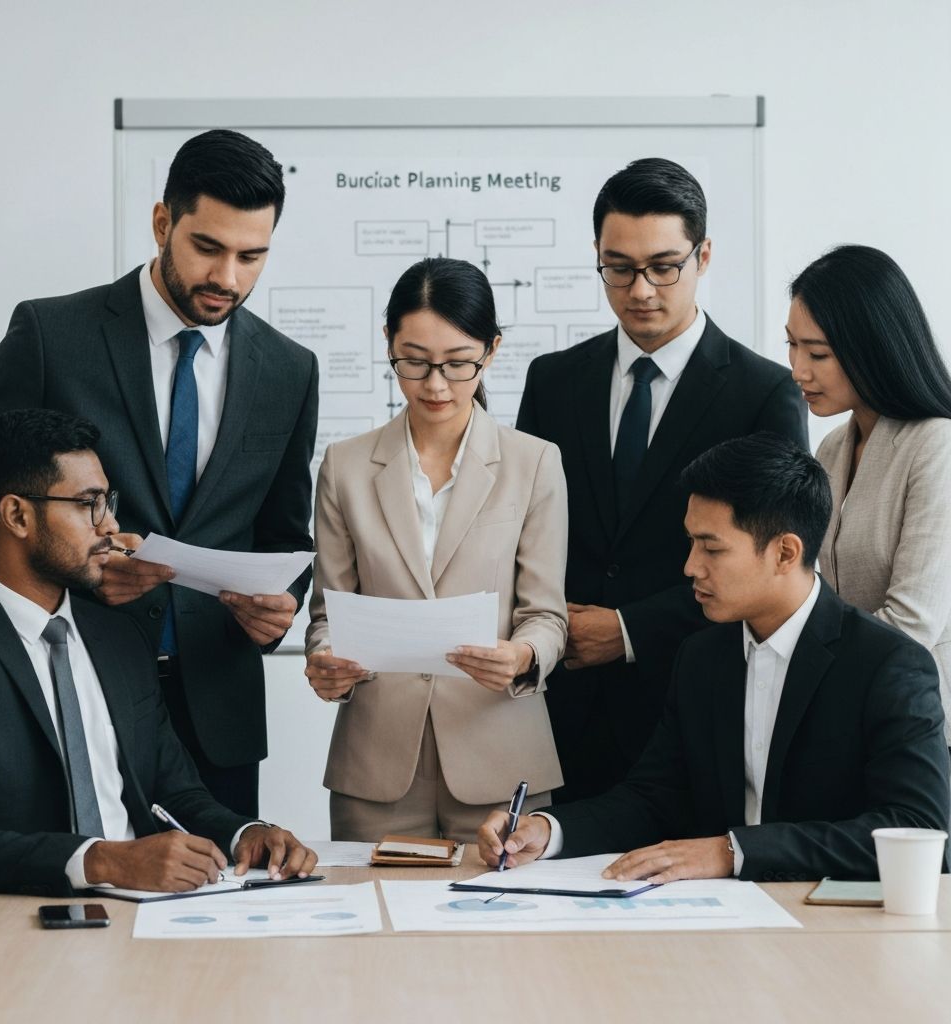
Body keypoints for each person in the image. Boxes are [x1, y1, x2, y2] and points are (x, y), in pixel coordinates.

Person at [0, 129, 318, 817]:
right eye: (208, 247)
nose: (228, 277)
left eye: (252, 256)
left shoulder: (290, 370)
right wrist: (76, 567)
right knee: (62, 897)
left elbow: (282, 537)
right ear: (163, 222)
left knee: (220, 900)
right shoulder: (53, 335)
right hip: (65, 687)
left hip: (215, 713)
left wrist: (276, 612)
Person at [478, 434, 950, 882]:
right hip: (720, 923)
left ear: (785, 552)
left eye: (712, 547)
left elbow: (922, 831)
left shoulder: (888, 664)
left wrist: (733, 851)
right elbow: (653, 798)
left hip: (838, 929)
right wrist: (546, 830)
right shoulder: (702, 656)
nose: (690, 567)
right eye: (691, 542)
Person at [0, 410, 317, 927]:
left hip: (149, 915)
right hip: (12, 921)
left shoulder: (118, 637)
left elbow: (176, 792)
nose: (111, 526)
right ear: (17, 516)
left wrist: (249, 835)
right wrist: (105, 859)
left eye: (106, 503)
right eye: (88, 505)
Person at [516, 157, 808, 802]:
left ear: (703, 256)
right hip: (560, 712)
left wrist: (625, 631)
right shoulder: (553, 380)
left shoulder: (764, 394)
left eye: (663, 267)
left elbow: (771, 570)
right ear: (597, 255)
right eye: (618, 268)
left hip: (692, 705)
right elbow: (525, 534)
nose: (641, 290)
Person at [305, 257, 568, 842]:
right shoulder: (345, 466)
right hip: (376, 762)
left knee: (502, 929)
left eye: (458, 364)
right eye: (414, 363)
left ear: (492, 351)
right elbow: (328, 612)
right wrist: (327, 662)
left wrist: (522, 656)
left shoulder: (534, 463)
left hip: (499, 755)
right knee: (374, 922)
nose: (435, 385)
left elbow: (547, 615)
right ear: (388, 345)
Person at [787, 244, 951, 744]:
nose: (798, 370)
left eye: (817, 354)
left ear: (872, 346)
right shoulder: (833, 447)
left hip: (923, 728)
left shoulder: (937, 445)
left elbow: (912, 625)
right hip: (854, 722)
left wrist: (799, 670)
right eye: (791, 346)